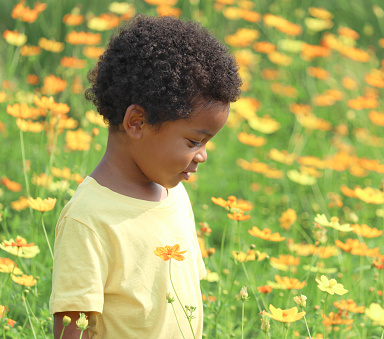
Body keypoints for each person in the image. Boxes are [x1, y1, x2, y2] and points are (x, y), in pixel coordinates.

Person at [50, 14, 242, 339]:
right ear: (137, 122)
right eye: (194, 141)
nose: (203, 155)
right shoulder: (88, 220)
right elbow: (72, 329)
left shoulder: (176, 196)